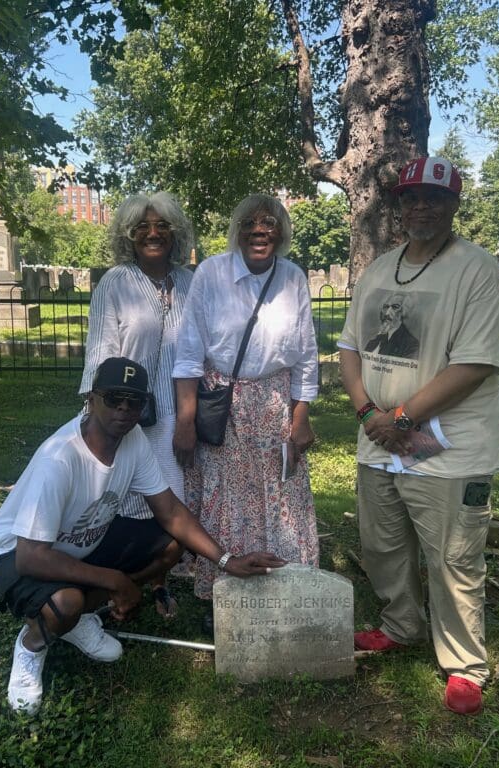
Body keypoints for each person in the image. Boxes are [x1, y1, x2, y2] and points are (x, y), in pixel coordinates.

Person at [0, 357, 284, 715]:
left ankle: (76, 622)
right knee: (65, 603)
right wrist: (115, 580)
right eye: (114, 398)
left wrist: (227, 560)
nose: (124, 410)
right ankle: (32, 645)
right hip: (12, 552)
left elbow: (170, 511)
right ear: (91, 399)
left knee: (170, 545)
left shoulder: (133, 438)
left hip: (77, 544)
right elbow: (31, 556)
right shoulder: (59, 459)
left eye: (134, 401)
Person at [337, 156, 499, 716]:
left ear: (454, 205)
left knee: (453, 558)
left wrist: (403, 417)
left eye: (434, 198)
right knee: (383, 546)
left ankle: (465, 664)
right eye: (411, 198)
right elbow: (349, 350)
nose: (421, 207)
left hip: (450, 449)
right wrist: (369, 415)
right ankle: (400, 625)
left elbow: (474, 364)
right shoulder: (380, 269)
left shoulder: (477, 271)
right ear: (398, 206)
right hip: (379, 441)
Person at [172, 193, 320, 623]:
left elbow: (306, 354)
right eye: (252, 223)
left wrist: (301, 417)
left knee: (280, 493)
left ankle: (282, 577)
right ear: (238, 230)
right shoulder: (211, 274)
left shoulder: (293, 277)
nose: (261, 230)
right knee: (228, 494)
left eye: (271, 222)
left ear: (282, 231)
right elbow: (189, 352)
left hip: (275, 405)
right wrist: (185, 420)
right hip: (222, 405)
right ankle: (224, 583)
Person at [79, 192, 197, 616]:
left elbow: (201, 353)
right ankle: (113, 584)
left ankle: (160, 580)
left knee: (170, 508)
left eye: (162, 226)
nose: (153, 233)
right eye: (142, 227)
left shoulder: (189, 283)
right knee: (121, 505)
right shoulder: (115, 283)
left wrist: (189, 417)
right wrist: (98, 415)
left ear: (175, 233)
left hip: (176, 414)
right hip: (125, 416)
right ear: (128, 235)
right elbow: (100, 351)